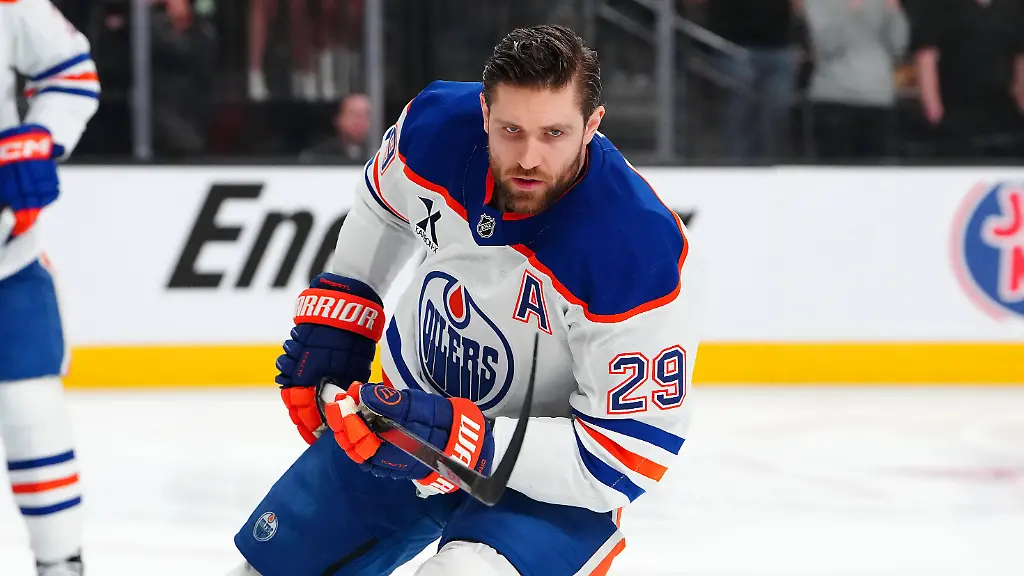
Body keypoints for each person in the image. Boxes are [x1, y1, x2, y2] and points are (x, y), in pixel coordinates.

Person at [228, 24, 703, 576]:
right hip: (407, 416)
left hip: (542, 479)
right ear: (484, 112)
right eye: (511, 129)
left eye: (554, 133)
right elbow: (383, 203)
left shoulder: (636, 251)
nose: (529, 157)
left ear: (592, 125)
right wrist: (348, 303)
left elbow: (623, 458)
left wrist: (468, 441)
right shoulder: (436, 127)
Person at [0, 1, 100, 575]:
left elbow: (69, 70)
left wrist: (40, 138)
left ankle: (60, 562)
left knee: (31, 409)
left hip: (8, 260)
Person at [913, 0, 1024, 158]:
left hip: (1004, 116)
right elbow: (926, 57)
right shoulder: (938, 6)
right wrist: (934, 111)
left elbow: (1020, 60)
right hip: (955, 117)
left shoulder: (1014, 7)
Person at [803, 0, 909, 161]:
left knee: (879, 173)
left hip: (879, 100)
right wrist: (851, 9)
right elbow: (826, 46)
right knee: (833, 172)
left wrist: (893, 12)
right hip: (834, 99)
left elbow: (898, 47)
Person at [299, 92, 372, 164]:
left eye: (365, 115)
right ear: (338, 119)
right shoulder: (317, 156)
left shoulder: (375, 154)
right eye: (354, 115)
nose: (360, 121)